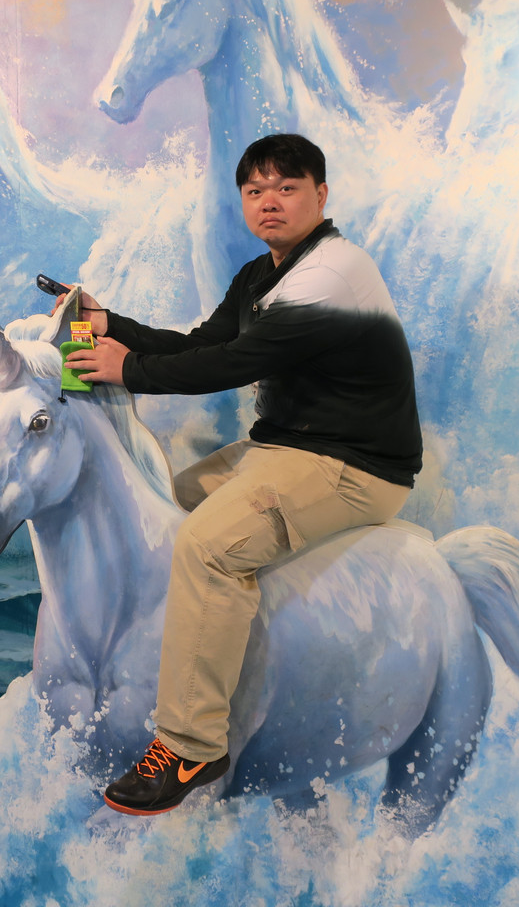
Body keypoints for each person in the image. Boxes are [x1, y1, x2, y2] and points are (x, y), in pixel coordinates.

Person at [62, 133, 423, 815]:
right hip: (283, 449)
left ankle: (191, 745)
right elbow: (205, 344)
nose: (269, 202)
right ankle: (173, 667)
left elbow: (232, 366)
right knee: (162, 506)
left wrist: (124, 368)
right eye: (255, 190)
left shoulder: (332, 273)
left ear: (321, 195)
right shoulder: (262, 274)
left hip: (352, 466)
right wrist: (116, 326)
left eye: (287, 187)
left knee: (208, 546)